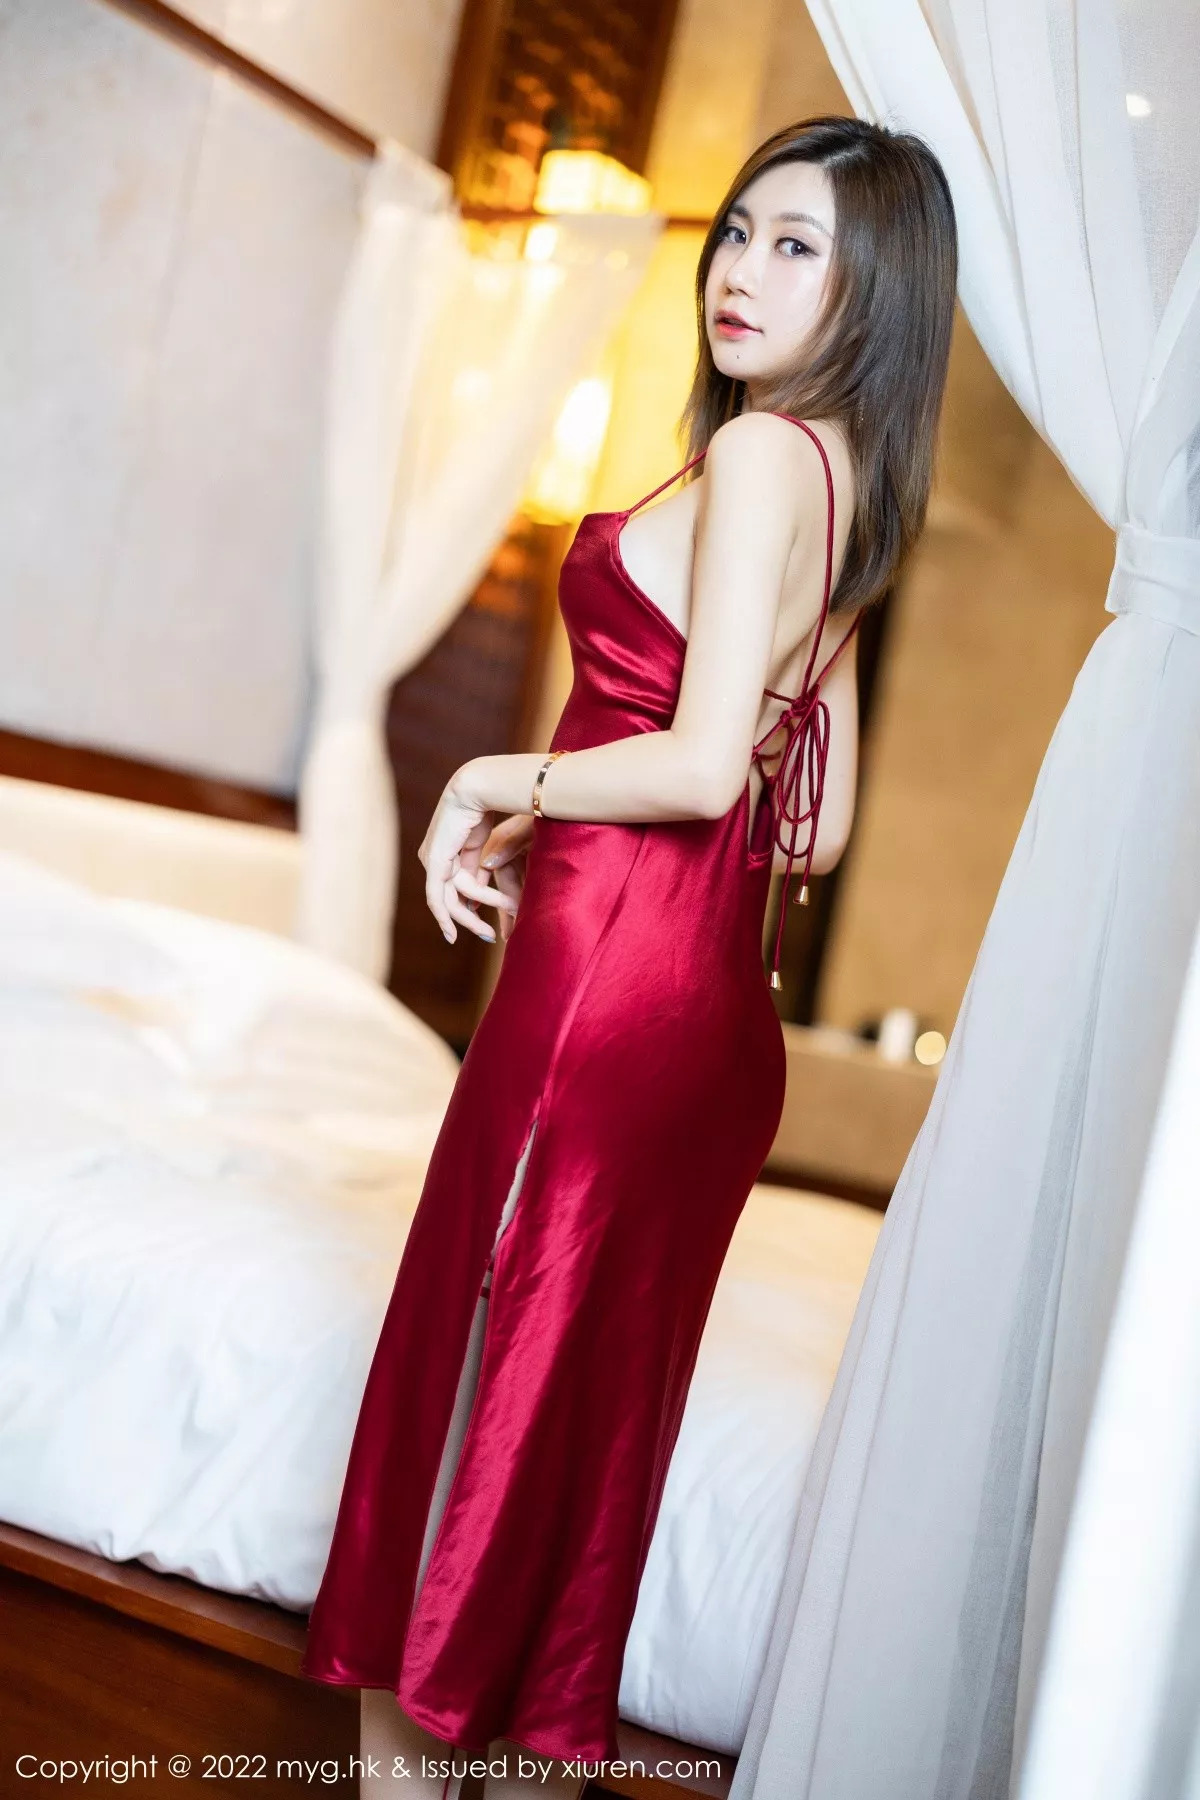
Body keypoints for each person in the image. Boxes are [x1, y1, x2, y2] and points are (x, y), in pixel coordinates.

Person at [299, 115, 958, 1800]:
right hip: (706, 1015)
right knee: (576, 1430)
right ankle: (519, 1753)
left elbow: (704, 766)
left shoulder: (758, 462)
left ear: (877, 286)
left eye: (797, 246)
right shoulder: (852, 486)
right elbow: (810, 823)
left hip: (604, 1004)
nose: (741, 270)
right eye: (737, 232)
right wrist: (591, 839)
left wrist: (498, 780)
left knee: (477, 1406)